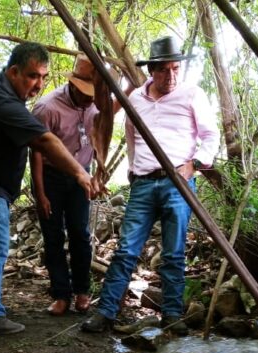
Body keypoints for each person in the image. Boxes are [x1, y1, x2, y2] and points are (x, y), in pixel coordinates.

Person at [0, 42, 98, 336]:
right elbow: (43, 141)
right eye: (32, 76)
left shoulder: (5, 93)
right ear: (13, 72)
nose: (39, 84)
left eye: (43, 77)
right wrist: (81, 173)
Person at [81, 36, 219, 335]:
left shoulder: (192, 94)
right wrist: (133, 170)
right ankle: (105, 312)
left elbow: (211, 135)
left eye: (175, 70)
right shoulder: (136, 100)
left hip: (177, 183)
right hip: (143, 183)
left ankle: (171, 315)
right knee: (126, 250)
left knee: (173, 253)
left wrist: (194, 165)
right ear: (152, 70)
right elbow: (131, 138)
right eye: (164, 70)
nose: (170, 76)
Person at [31, 54, 98, 316]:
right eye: (85, 94)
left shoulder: (95, 104)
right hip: (51, 176)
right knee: (53, 236)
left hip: (83, 175)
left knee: (80, 234)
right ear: (72, 86)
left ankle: (82, 291)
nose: (90, 99)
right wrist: (40, 192)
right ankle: (61, 295)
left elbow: (103, 126)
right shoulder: (47, 107)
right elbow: (36, 151)